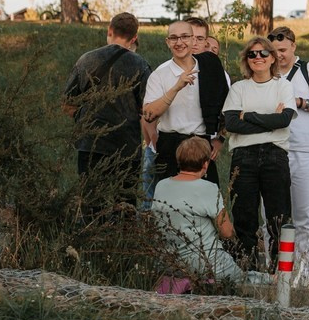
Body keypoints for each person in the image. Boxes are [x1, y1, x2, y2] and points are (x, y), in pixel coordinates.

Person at [222, 36, 295, 270]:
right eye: (252, 54)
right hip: (243, 156)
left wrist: (249, 115)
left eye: (263, 53)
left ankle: (279, 273)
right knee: (244, 215)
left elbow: (284, 119)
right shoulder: (238, 88)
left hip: (275, 155)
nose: (258, 58)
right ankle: (247, 269)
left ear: (272, 57)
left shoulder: (282, 85)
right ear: (247, 59)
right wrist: (269, 120)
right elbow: (232, 124)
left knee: (278, 216)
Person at [63, 12, 150, 207]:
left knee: (91, 201)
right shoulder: (141, 64)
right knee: (125, 203)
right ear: (134, 37)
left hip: (91, 142)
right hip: (127, 144)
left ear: (109, 30)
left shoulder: (86, 60)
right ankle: (124, 237)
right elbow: (147, 109)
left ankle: (92, 236)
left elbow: (67, 102)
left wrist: (83, 119)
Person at [269, 26, 309, 286]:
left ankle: (304, 275)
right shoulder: (266, 73)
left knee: (304, 217)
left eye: (283, 50)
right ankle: (276, 273)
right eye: (274, 51)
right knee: (272, 217)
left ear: (293, 46)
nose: (279, 55)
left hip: (305, 149)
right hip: (273, 150)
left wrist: (300, 102)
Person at [150, 136, 243, 283]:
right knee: (248, 278)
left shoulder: (161, 185)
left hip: (166, 263)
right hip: (205, 264)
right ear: (205, 165)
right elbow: (226, 232)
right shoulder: (208, 188)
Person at [144, 21, 220, 182]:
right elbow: (149, 114)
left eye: (184, 37)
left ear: (193, 40)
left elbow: (225, 104)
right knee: (168, 204)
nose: (179, 42)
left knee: (206, 202)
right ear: (167, 42)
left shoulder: (209, 67)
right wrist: (176, 87)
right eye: (173, 38)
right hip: (170, 147)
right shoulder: (160, 74)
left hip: (201, 144)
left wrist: (220, 138)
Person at [185, 16, 230, 166]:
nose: (194, 42)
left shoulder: (217, 72)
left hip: (203, 139)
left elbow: (227, 106)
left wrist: (220, 139)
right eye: (190, 37)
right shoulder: (165, 69)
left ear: (205, 42)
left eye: (199, 38)